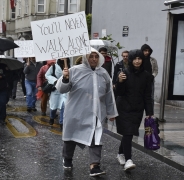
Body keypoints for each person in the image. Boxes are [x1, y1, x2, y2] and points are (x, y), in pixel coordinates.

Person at [56, 48, 118, 177]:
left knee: (96, 137)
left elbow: (108, 94)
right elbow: (62, 89)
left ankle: (94, 165)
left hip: (96, 112)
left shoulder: (103, 73)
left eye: (96, 56)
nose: (94, 59)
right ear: (85, 57)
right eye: (91, 56)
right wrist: (65, 78)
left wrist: (111, 112)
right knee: (70, 137)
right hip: (76, 111)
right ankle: (67, 158)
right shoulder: (74, 71)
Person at [115, 49, 153, 171]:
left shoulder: (147, 76)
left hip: (137, 109)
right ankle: (128, 160)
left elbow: (148, 95)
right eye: (135, 58)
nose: (137, 61)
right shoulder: (124, 73)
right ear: (131, 60)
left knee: (129, 133)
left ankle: (120, 153)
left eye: (139, 58)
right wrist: (119, 81)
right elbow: (119, 93)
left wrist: (149, 113)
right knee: (128, 133)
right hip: (124, 108)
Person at [45, 58, 70, 130]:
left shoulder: (70, 67)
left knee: (64, 106)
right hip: (56, 90)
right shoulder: (54, 67)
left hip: (65, 91)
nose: (63, 58)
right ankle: (52, 117)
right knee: (53, 106)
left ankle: (62, 123)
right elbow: (47, 75)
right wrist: (55, 81)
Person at [141, 44, 158, 113]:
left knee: (150, 97)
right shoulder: (139, 59)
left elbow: (156, 70)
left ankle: (150, 112)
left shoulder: (153, 60)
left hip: (150, 81)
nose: (147, 52)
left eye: (148, 51)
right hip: (141, 80)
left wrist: (153, 76)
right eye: (145, 51)